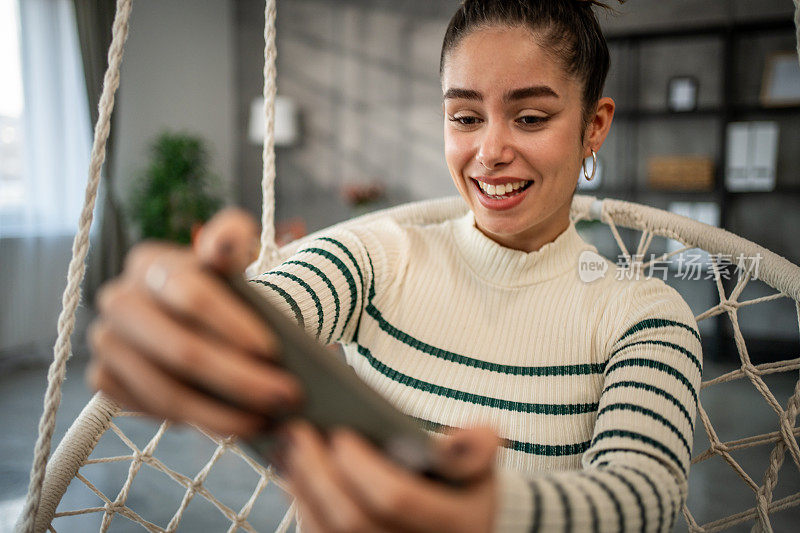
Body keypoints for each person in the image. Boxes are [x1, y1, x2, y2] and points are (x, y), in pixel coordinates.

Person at [88, 0, 702, 531]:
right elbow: (271, 307)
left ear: (593, 127)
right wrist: (193, 313)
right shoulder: (380, 256)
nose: (489, 152)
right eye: (465, 117)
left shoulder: (644, 316)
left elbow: (645, 496)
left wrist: (481, 513)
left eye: (532, 117)